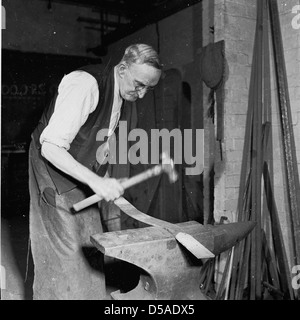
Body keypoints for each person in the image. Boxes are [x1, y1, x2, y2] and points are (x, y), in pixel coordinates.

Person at [28, 44, 162, 300]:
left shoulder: (120, 92)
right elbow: (51, 146)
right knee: (66, 257)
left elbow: (95, 140)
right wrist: (95, 181)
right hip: (52, 169)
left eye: (149, 88)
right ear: (122, 69)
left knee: (91, 246)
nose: (142, 94)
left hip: (78, 171)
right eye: (139, 84)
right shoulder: (86, 85)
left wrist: (104, 176)